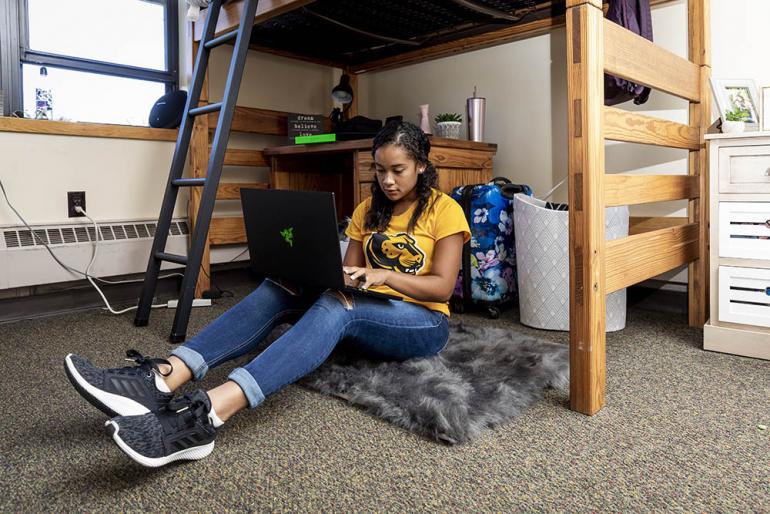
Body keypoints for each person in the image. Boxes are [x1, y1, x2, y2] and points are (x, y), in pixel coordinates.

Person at [64, 121, 471, 468]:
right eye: (380, 170)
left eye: (398, 170)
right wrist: (323, 273)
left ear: (421, 165)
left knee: (338, 306)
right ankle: (165, 377)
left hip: (423, 320)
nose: (387, 180)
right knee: (282, 286)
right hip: (373, 306)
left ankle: (209, 414)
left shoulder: (445, 209)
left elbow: (441, 285)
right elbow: (346, 272)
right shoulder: (369, 209)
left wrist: (382, 275)